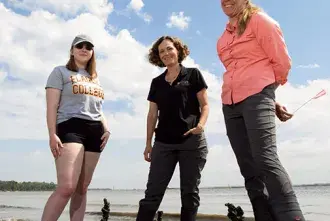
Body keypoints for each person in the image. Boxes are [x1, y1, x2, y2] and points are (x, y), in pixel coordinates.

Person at [217, 1, 305, 221]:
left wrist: (267, 95)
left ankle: (292, 217)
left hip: (257, 96)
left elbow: (282, 62)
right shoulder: (223, 39)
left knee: (265, 158)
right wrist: (272, 103)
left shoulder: (260, 22)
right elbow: (237, 70)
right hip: (229, 103)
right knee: (248, 168)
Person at [136, 36, 209, 221]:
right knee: (152, 193)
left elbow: (205, 105)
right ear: (158, 57)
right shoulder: (156, 82)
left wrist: (200, 125)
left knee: (189, 193)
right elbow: (152, 115)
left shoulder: (193, 75)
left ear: (178, 50)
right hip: (163, 144)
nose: (166, 53)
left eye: (169, 49)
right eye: (161, 51)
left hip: (192, 141)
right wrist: (148, 143)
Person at [42, 34, 110, 221]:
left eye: (88, 46)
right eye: (79, 45)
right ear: (72, 50)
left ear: (92, 52)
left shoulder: (94, 78)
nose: (84, 48)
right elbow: (52, 106)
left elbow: (98, 108)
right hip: (70, 127)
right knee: (67, 187)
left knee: (82, 188)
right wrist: (52, 134)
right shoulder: (60, 72)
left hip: (95, 131)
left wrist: (107, 128)